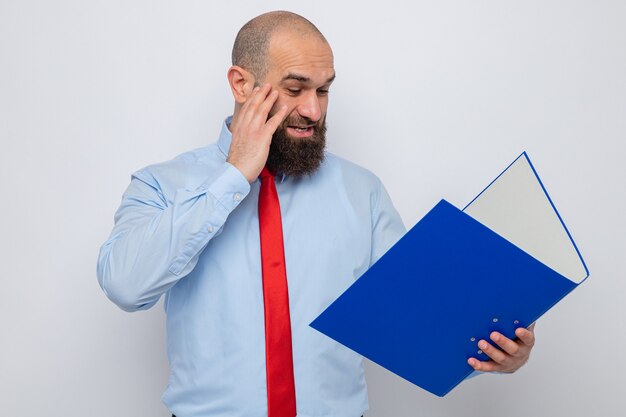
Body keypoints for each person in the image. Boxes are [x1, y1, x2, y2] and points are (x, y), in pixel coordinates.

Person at [97, 10, 536, 417]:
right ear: (240, 84)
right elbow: (125, 286)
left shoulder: (361, 191)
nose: (313, 110)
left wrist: (496, 349)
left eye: (323, 90)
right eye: (295, 89)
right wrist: (233, 177)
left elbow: (421, 313)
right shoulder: (163, 185)